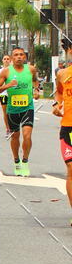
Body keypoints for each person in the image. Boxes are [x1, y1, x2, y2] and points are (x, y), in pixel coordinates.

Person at [0, 47, 39, 175]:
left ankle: (25, 161)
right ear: (12, 58)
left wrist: (36, 90)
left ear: (24, 57)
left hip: (27, 107)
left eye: (21, 55)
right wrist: (8, 85)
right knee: (15, 137)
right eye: (16, 55)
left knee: (27, 135)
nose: (19, 57)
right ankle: (16, 161)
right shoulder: (6, 72)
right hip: (12, 109)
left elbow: (35, 80)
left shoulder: (31, 69)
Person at [52, 37, 72, 223]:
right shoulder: (63, 74)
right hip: (68, 126)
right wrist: (58, 104)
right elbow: (59, 91)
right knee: (71, 168)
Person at [0, 54, 11, 137]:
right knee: (5, 112)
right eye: (4, 59)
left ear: (10, 61)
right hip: (3, 94)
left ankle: (13, 128)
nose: (6, 60)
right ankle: (8, 129)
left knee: (12, 112)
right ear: (2, 61)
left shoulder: (13, 70)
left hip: (13, 95)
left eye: (8, 59)